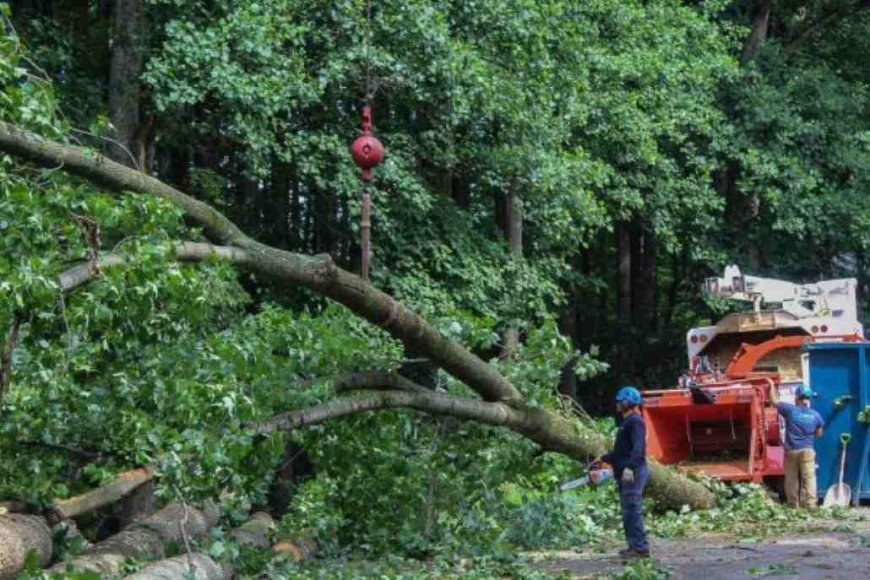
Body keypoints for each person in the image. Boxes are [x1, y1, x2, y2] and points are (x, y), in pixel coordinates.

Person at [591, 386, 649, 558]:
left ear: (627, 403)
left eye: (620, 402)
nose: (617, 404)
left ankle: (640, 547)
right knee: (627, 509)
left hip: (633, 470)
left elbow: (638, 448)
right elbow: (620, 452)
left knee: (632, 507)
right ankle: (633, 545)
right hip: (626, 469)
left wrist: (630, 467)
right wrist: (603, 458)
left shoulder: (635, 421)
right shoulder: (625, 423)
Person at [769, 383, 824, 509]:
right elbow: (819, 433)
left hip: (792, 450)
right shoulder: (815, 415)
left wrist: (771, 385)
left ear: (797, 396)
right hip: (807, 450)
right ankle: (811, 504)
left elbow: (773, 400)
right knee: (809, 477)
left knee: (791, 478)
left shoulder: (790, 410)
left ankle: (793, 504)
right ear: (808, 398)